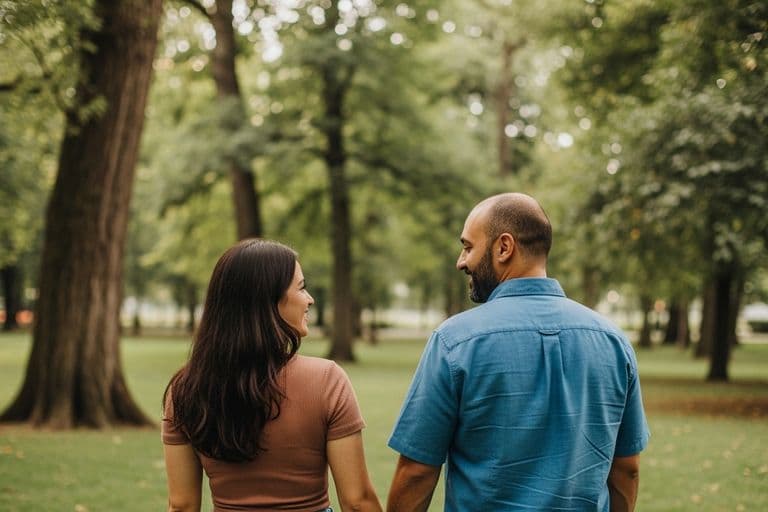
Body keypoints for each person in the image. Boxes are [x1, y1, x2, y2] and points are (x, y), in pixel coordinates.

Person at [386, 193, 650, 512]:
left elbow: (416, 472)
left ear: (504, 247)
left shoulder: (454, 342)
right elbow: (627, 468)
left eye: (468, 246)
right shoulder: (613, 341)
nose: (461, 261)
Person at [162, 239, 382, 512]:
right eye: (301, 288)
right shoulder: (327, 380)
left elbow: (182, 505)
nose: (310, 299)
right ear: (269, 301)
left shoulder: (185, 389)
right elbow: (358, 502)